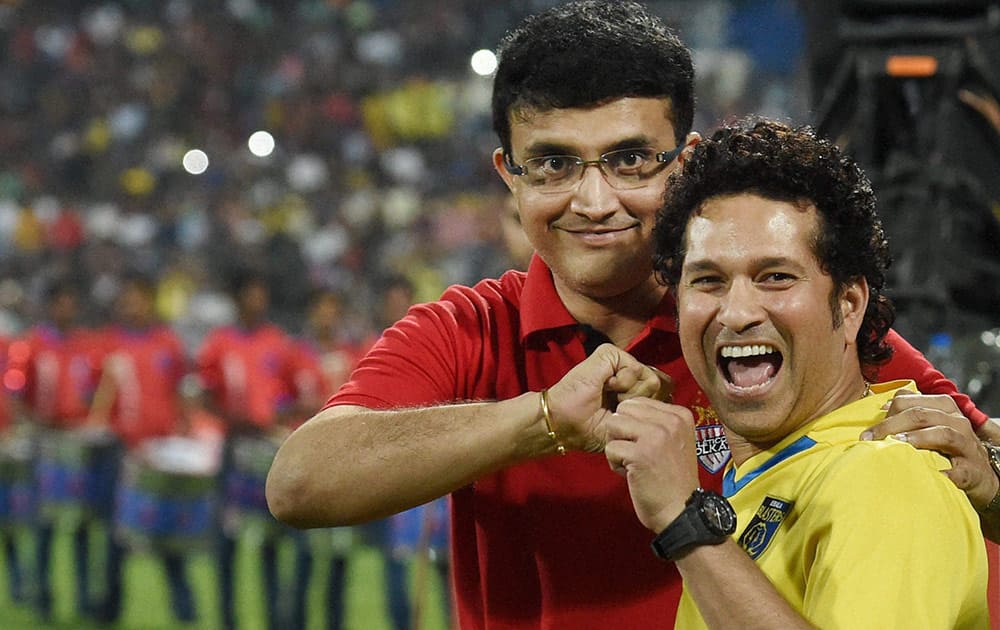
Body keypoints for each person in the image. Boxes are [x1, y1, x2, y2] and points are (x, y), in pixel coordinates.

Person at [266, 2, 991, 627]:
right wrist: (542, 420)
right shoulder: (471, 331)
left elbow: (970, 459)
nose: (594, 200)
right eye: (553, 163)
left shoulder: (772, 324)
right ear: (506, 177)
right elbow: (300, 482)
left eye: (631, 160)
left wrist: (991, 477)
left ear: (685, 163)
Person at [606, 117, 987, 627]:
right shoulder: (767, 476)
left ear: (849, 305)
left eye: (776, 277)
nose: (736, 312)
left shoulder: (884, 474)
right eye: (708, 280)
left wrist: (685, 522)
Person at [194, 268, 308, 630]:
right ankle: (228, 618)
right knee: (227, 539)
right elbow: (202, 393)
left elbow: (291, 395)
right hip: (234, 448)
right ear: (238, 298)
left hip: (268, 450)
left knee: (271, 538)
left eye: (262, 292)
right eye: (252, 293)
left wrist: (281, 415)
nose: (259, 299)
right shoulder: (218, 343)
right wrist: (232, 419)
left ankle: (277, 619)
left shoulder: (278, 342)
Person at [85, 272, 197, 624]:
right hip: (122, 452)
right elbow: (93, 397)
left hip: (162, 452)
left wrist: (184, 431)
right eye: (127, 298)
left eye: (139, 297)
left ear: (150, 301)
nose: (132, 304)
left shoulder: (168, 343)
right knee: (118, 535)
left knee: (169, 533)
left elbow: (181, 392)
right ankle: (110, 609)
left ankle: (185, 611)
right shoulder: (108, 345)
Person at [10, 277, 109, 621]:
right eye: (60, 302)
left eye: (70, 302)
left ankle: (83, 600)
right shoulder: (33, 346)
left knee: (81, 523)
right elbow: (15, 393)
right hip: (47, 442)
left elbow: (98, 390)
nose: (66, 309)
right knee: (44, 522)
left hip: (78, 441)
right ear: (50, 306)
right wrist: (32, 424)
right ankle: (42, 598)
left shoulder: (87, 347)